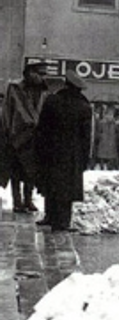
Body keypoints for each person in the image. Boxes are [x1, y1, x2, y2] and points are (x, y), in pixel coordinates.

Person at [34, 70, 93, 231]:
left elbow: (42, 128)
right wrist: (84, 159)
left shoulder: (52, 101)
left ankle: (49, 216)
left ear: (66, 84)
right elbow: (86, 137)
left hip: (51, 151)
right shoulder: (84, 107)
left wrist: (39, 150)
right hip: (72, 155)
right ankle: (63, 221)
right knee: (66, 189)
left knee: (50, 184)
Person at [1, 61, 49, 212]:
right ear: (29, 73)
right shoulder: (15, 88)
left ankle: (28, 199)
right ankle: (17, 201)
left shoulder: (43, 90)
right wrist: (8, 131)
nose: (41, 77)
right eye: (38, 73)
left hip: (35, 135)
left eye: (43, 74)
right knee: (16, 170)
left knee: (31, 171)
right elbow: (7, 111)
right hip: (17, 135)